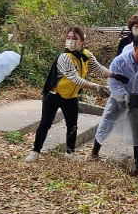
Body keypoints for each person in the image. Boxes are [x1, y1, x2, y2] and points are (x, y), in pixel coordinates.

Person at [24, 27, 128, 162]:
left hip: (71, 96)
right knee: (45, 123)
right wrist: (96, 87)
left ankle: (70, 152)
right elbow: (75, 79)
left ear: (82, 42)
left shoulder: (86, 54)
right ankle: (35, 151)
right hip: (54, 94)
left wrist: (115, 75)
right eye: (68, 38)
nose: (71, 41)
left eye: (74, 39)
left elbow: (98, 69)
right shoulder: (64, 57)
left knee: (72, 124)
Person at [89, 34, 138, 180]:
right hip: (117, 99)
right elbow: (113, 82)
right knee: (106, 123)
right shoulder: (120, 61)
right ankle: (94, 153)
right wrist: (123, 95)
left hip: (137, 101)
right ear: (135, 48)